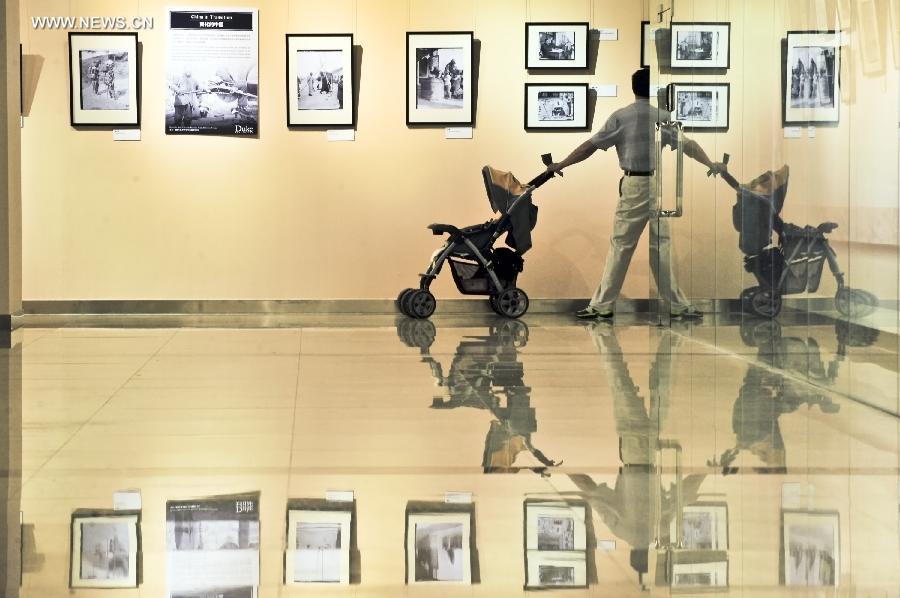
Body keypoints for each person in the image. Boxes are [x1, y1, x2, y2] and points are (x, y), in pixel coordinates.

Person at [545, 67, 726, 319]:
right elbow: (689, 146)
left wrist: (561, 164)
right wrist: (711, 164)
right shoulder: (662, 116)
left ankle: (602, 305)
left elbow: (589, 147)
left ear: (633, 88)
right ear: (650, 89)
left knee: (621, 246)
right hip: (655, 185)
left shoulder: (621, 116)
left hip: (633, 185)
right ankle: (677, 305)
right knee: (661, 247)